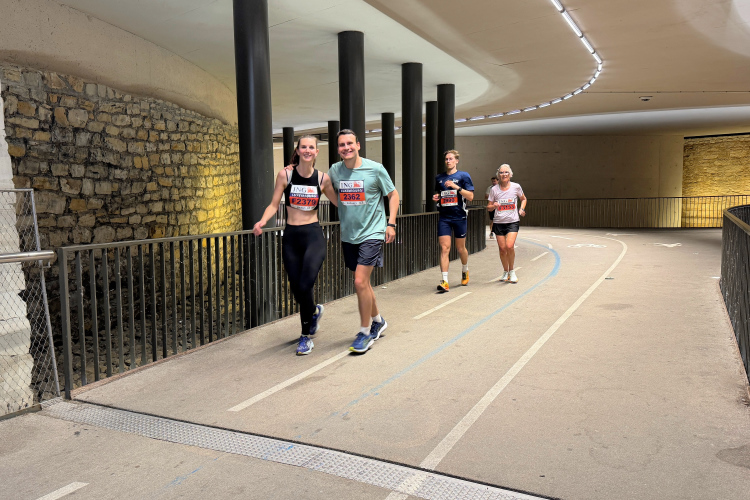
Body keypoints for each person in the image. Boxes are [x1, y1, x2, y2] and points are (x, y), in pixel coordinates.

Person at [253, 135, 338, 355]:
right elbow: (274, 204)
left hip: (313, 236)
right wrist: (262, 221)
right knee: (295, 288)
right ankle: (313, 312)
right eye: (304, 147)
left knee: (305, 284)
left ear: (316, 152)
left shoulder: (323, 179)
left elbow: (339, 202)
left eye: (311, 147)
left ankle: (305, 337)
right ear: (298, 150)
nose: (307, 150)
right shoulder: (286, 175)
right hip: (291, 237)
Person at [328, 129, 400, 354]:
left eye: (350, 143)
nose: (346, 148)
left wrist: (391, 223)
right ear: (338, 149)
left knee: (359, 282)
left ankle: (364, 332)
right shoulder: (335, 170)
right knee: (364, 284)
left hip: (373, 232)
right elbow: (322, 184)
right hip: (349, 235)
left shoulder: (375, 169)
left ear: (358, 145)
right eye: (342, 145)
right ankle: (378, 321)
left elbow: (393, 195)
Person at [432, 149, 474, 292]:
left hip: (459, 217)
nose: (448, 161)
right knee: (444, 248)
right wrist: (437, 197)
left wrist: (457, 187)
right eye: (446, 159)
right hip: (444, 217)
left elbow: (470, 196)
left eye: (451, 159)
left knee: (460, 248)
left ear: (456, 161)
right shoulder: (439, 178)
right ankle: (445, 281)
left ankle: (465, 270)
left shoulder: (463, 176)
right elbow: (440, 194)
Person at [488, 164, 527, 283]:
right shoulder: (494, 189)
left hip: (512, 221)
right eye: (501, 172)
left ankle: (512, 271)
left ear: (510, 174)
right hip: (499, 222)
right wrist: (493, 205)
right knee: (502, 249)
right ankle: (505, 271)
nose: (504, 174)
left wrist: (521, 209)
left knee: (509, 246)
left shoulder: (516, 187)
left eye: (506, 172)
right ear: (498, 175)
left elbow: (523, 199)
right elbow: (489, 207)